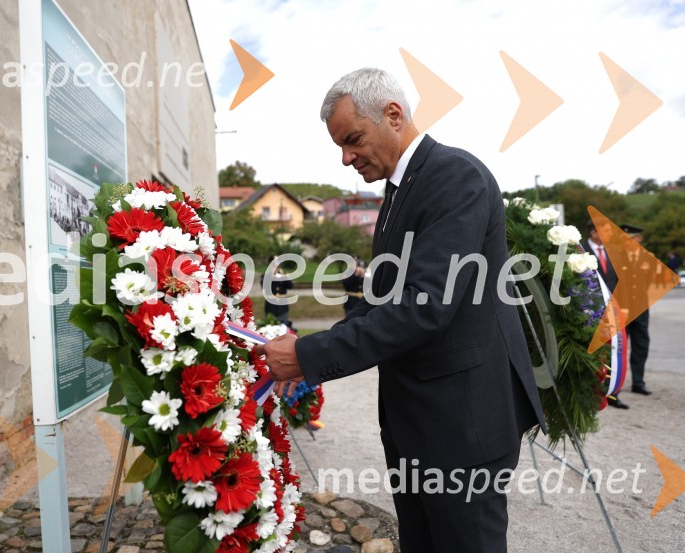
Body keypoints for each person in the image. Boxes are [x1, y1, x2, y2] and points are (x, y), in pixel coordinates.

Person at [256, 68, 545, 552]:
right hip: (421, 420)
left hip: (462, 423)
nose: (346, 158)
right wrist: (307, 355)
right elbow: (381, 300)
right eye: (340, 146)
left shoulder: (454, 176)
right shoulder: (398, 191)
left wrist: (308, 355)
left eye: (353, 140)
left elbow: (424, 306)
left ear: (393, 115)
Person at [583, 220, 629, 408]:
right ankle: (593, 392)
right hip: (591, 312)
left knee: (616, 349)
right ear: (593, 232)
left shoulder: (614, 252)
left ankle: (612, 393)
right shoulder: (581, 251)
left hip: (615, 310)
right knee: (597, 353)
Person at [620, 224, 652, 396]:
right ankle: (614, 385)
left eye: (632, 238)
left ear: (639, 238)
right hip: (621, 309)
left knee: (641, 345)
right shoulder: (615, 257)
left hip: (640, 309)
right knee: (618, 347)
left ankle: (638, 382)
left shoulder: (647, 257)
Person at [262, 256, 294, 328]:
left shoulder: (283, 275)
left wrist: (284, 277)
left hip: (282, 305)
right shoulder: (266, 276)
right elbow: (264, 286)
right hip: (271, 305)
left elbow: (290, 286)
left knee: (283, 326)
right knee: (270, 326)